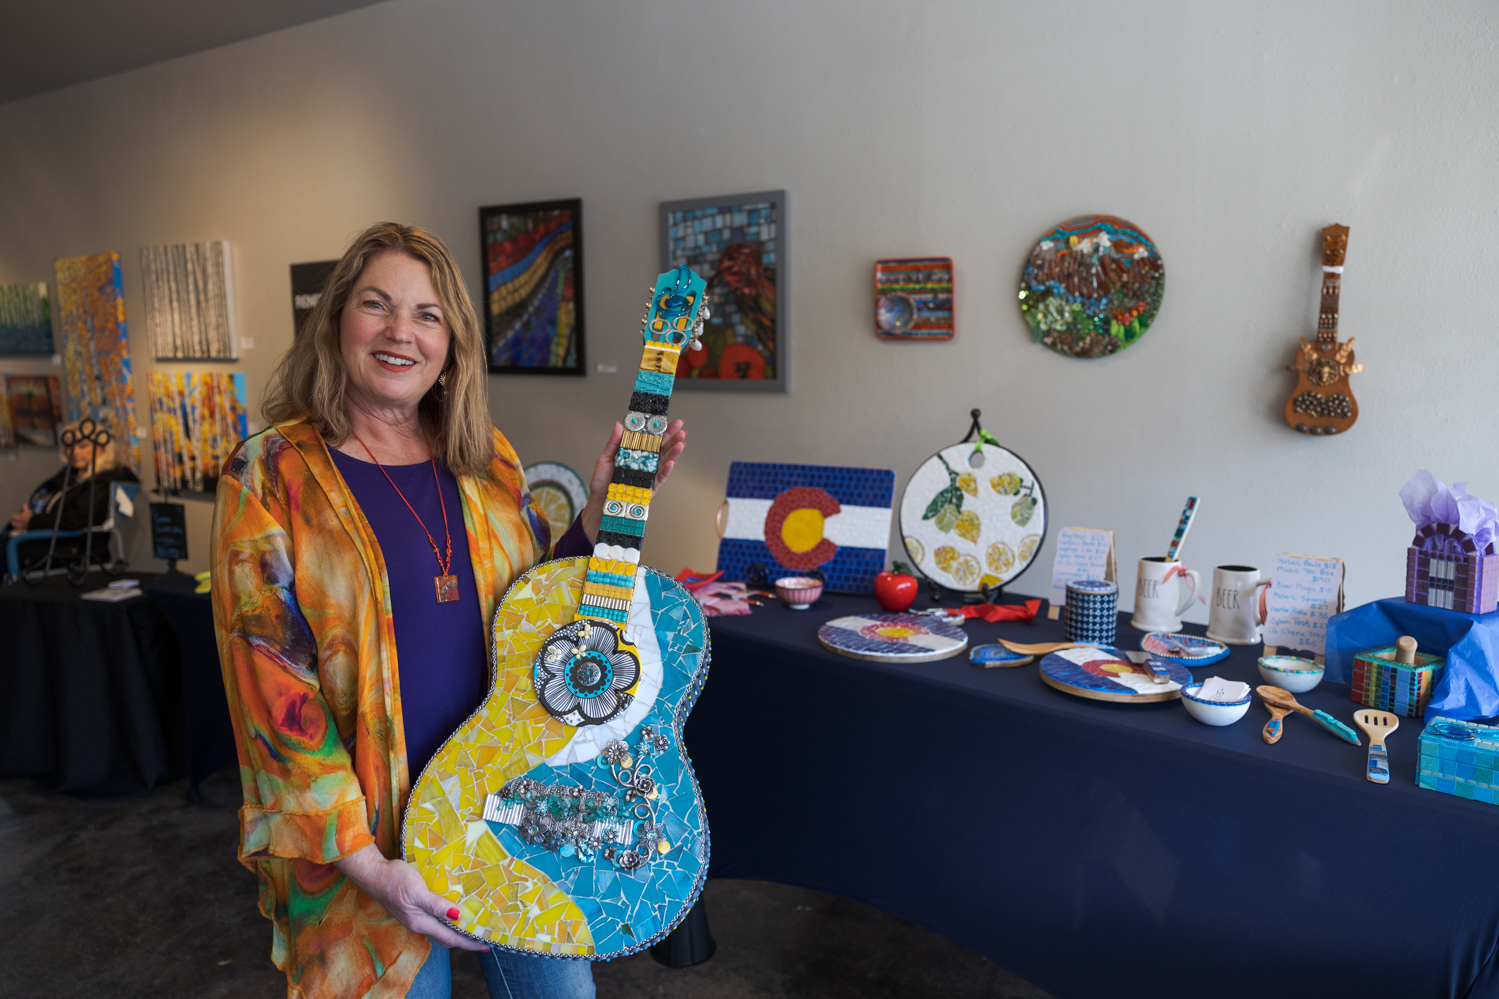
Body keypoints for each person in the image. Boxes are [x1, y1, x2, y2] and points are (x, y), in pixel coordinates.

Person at [210, 222, 687, 999]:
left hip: (513, 808)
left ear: (451, 342)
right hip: (364, 846)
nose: (401, 331)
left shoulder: (485, 458)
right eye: (377, 304)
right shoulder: (270, 474)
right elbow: (272, 691)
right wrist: (371, 867)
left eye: (427, 314)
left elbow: (536, 611)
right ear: (336, 319)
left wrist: (603, 507)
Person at [4, 421, 138, 568]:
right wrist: (20, 520)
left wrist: (32, 522)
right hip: (45, 539)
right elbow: (42, 499)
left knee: (5, 547)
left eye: (82, 446)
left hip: (72, 548)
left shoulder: (109, 477)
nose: (73, 452)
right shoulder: (70, 474)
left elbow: (78, 518)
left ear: (103, 448)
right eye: (69, 446)